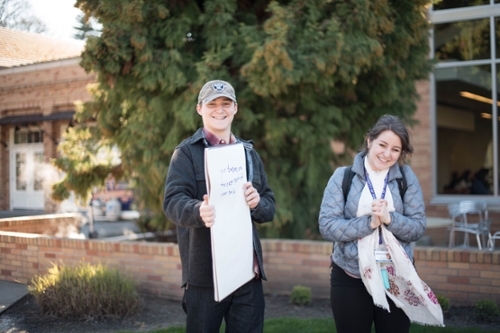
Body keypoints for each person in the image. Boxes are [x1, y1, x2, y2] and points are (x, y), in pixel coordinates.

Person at [163, 80, 276, 333]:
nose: (219, 109)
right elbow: (171, 202)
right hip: (205, 280)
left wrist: (257, 203)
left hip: (248, 275)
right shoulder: (186, 154)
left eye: (226, 103)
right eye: (212, 104)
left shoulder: (248, 154)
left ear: (235, 108)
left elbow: (269, 204)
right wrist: (197, 211)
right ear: (200, 108)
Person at [318, 115, 427, 333]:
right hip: (350, 276)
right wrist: (369, 223)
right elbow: (327, 225)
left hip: (396, 276)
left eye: (396, 149)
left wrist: (389, 219)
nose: (387, 154)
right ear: (369, 141)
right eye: (383, 145)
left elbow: (418, 227)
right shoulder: (343, 176)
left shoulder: (406, 177)